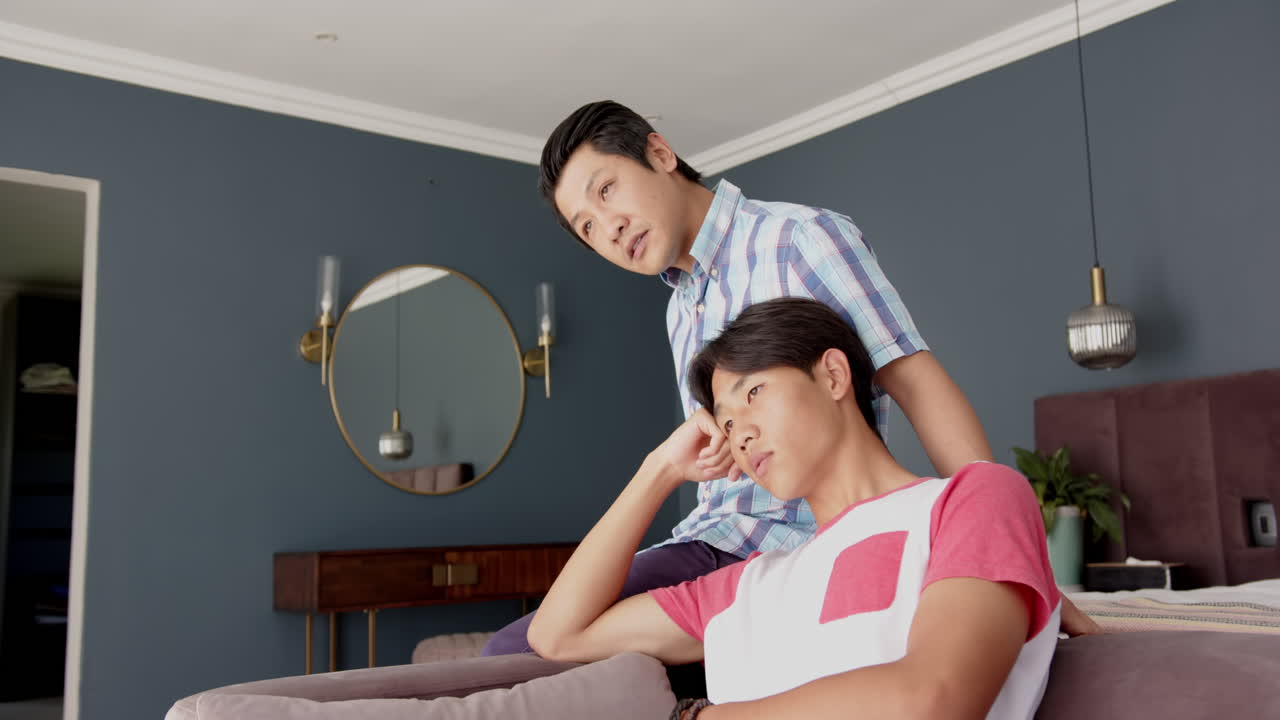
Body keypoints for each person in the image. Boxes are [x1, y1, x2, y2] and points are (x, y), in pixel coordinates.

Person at [482, 100, 1093, 655]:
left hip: (789, 540)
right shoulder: (678, 309)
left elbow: (912, 377)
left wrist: (997, 542)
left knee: (514, 659)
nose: (608, 227)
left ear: (660, 154)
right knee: (541, 646)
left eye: (607, 190)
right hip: (710, 544)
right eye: (587, 226)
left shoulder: (799, 239)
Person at [527, 298, 1062, 719]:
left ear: (832, 375)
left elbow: (932, 698)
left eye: (753, 392)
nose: (742, 433)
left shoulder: (970, 501)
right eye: (727, 423)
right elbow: (557, 635)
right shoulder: (745, 586)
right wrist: (659, 470)